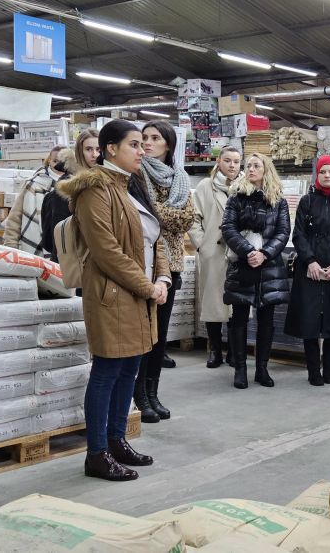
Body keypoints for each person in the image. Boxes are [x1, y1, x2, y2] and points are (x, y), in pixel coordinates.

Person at [57, 120, 170, 481]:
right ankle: (97, 453)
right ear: (111, 149)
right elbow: (107, 252)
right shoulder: (95, 190)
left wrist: (163, 277)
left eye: (143, 144)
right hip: (112, 294)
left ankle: (117, 440)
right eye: (134, 144)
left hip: (139, 294)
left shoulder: (132, 185)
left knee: (129, 369)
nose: (142, 150)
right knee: (107, 372)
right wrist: (147, 286)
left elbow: (155, 239)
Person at [132, 120, 194, 424]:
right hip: (145, 264)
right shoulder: (136, 175)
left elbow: (188, 218)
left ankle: (153, 393)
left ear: (168, 144)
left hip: (173, 266)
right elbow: (147, 216)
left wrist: (160, 213)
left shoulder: (180, 176)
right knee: (144, 335)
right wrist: (167, 215)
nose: (147, 143)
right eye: (144, 137)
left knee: (160, 336)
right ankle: (138, 396)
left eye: (155, 138)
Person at [222, 153, 291, 390]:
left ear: (266, 170)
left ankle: (262, 368)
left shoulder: (278, 200)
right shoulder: (236, 197)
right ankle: (240, 369)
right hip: (243, 265)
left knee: (266, 320)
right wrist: (249, 252)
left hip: (270, 267)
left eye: (256, 165)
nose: (250, 169)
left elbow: (283, 232)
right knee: (239, 317)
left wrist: (265, 254)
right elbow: (228, 228)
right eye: (248, 165)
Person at [286, 155, 330, 386]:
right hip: (310, 269)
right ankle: (313, 371)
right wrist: (310, 261)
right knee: (309, 320)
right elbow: (298, 234)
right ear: (317, 175)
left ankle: (329, 369)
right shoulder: (307, 201)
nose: (327, 175)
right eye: (323, 171)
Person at [190, 148, 242, 369]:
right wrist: (202, 245)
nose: (232, 165)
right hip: (213, 252)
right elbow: (193, 218)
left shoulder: (246, 187)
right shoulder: (205, 186)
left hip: (239, 253)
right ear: (218, 162)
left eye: (236, 161)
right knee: (213, 303)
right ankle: (215, 350)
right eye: (227, 161)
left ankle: (234, 350)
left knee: (237, 304)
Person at [43, 129, 100, 262]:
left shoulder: (106, 180)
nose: (95, 154)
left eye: (98, 149)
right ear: (79, 151)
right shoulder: (69, 185)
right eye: (88, 149)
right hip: (74, 260)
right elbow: (59, 233)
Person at [3, 145, 66, 256]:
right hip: (36, 249)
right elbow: (15, 217)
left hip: (65, 248)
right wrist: (11, 246)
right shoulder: (33, 184)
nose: (58, 166)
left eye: (63, 161)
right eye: (55, 161)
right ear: (49, 161)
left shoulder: (74, 186)